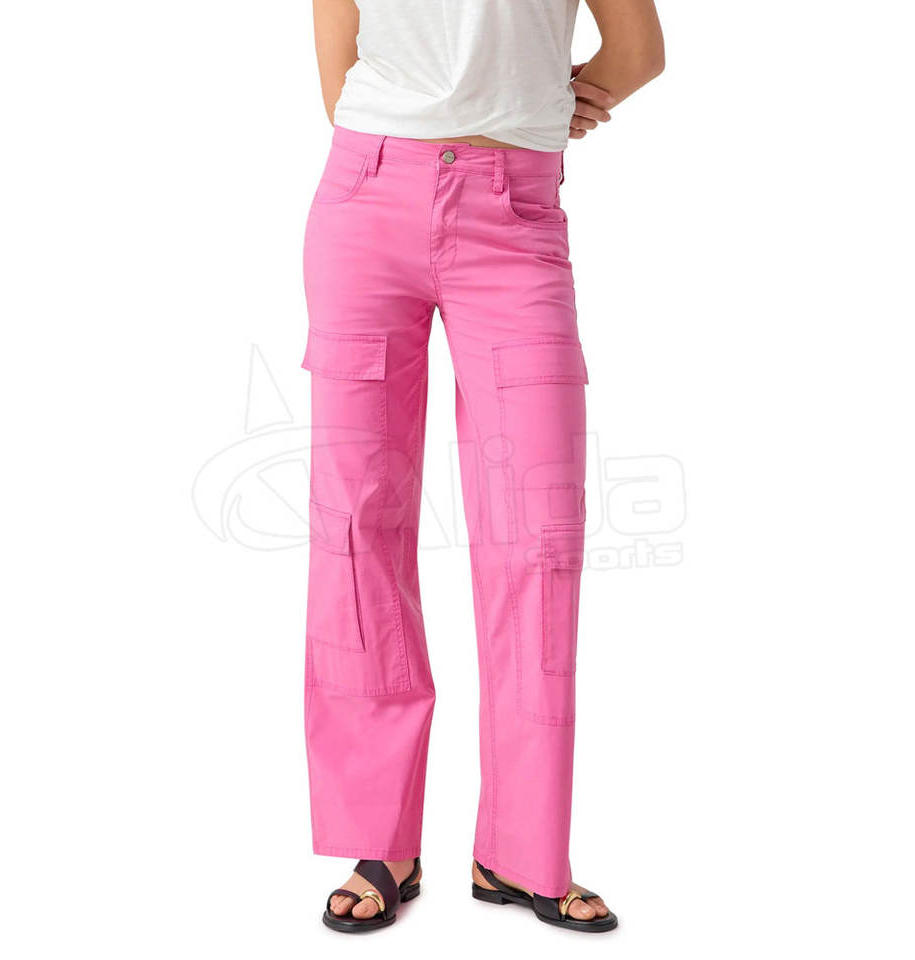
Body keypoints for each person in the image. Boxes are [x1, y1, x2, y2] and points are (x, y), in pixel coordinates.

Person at [302, 0, 664, 933]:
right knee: (357, 529)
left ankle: (522, 851)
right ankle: (380, 839)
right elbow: (340, 75)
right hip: (366, 200)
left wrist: (534, 109)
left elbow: (637, 50)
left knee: (539, 537)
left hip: (516, 216)